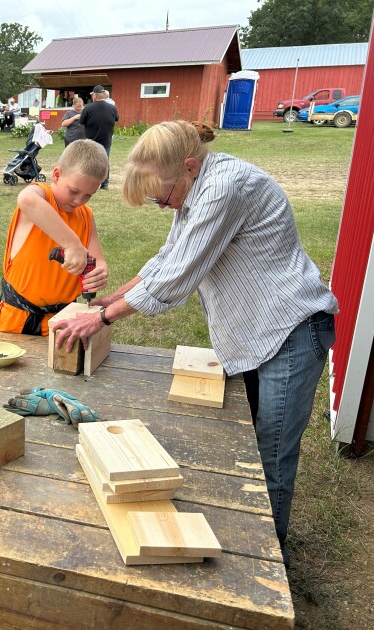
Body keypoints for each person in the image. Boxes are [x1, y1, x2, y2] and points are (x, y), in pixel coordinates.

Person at [52, 120, 338, 566]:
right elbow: (167, 257)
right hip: (258, 334)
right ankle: (257, 545)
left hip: (290, 331)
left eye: (162, 198)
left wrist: (102, 317)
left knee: (271, 455)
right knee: (252, 447)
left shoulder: (226, 188)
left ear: (187, 167)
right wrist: (115, 295)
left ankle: (266, 566)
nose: (164, 207)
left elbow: (178, 278)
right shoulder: (195, 185)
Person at [0, 139, 109, 336]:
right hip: (15, 321)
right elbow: (26, 200)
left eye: (88, 195)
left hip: (63, 323)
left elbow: (98, 261)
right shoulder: (41, 195)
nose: (79, 200)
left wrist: (99, 273)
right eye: (74, 191)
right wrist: (72, 244)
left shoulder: (85, 216)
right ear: (57, 175)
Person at [78, 85, 118, 190]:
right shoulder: (112, 108)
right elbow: (116, 119)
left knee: (88, 161)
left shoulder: (88, 108)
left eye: (92, 95)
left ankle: (88, 182)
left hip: (91, 140)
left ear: (95, 96)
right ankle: (105, 184)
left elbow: (81, 122)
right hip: (106, 139)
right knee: (105, 161)